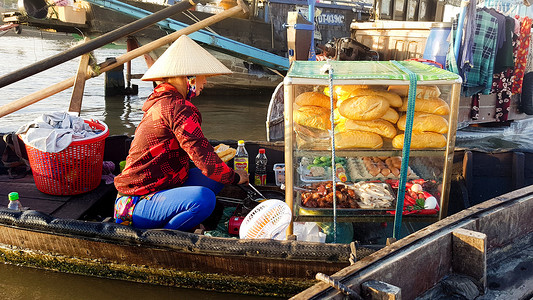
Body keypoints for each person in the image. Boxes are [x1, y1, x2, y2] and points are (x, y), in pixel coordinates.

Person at [113, 35, 249, 231]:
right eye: (203, 76)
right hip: (135, 204)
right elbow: (205, 160)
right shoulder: (178, 108)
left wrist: (228, 174)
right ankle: (170, 234)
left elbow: (204, 158)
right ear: (188, 76)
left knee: (218, 176)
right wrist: (236, 177)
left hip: (161, 187)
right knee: (205, 199)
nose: (205, 82)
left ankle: (183, 219)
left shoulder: (164, 100)